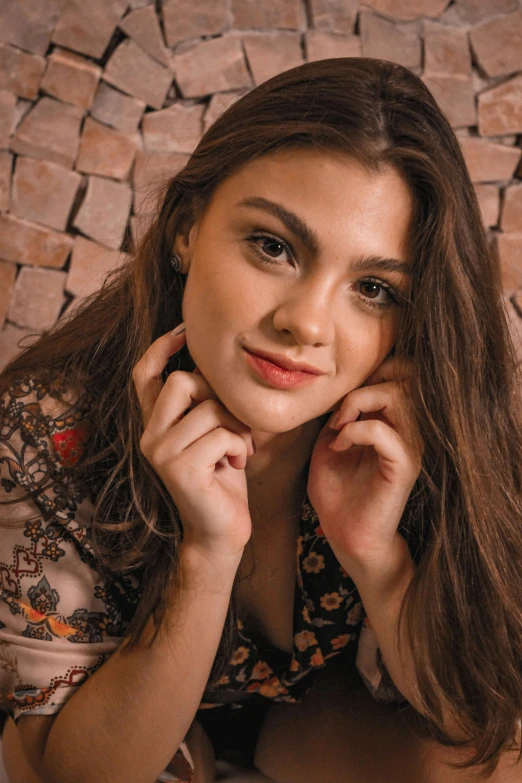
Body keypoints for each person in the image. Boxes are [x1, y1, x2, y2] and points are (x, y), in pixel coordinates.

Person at [0, 56, 521, 783]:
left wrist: (378, 556)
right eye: (274, 247)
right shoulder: (49, 429)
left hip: (326, 723)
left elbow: (481, 727)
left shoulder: (429, 425)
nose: (306, 323)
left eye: (372, 288)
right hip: (129, 715)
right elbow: (68, 774)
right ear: (186, 229)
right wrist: (205, 557)